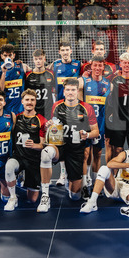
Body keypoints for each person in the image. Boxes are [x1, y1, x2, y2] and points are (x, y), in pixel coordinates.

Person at [39, 81, 99, 209]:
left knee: (75, 196)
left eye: (73, 90)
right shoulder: (57, 106)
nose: (70, 92)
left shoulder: (86, 107)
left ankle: (71, 181)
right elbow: (53, 125)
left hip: (75, 149)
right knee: (46, 153)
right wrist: (48, 125)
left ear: (77, 91)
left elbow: (96, 131)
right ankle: (45, 196)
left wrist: (87, 135)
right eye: (68, 90)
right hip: (59, 146)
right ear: (64, 91)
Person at [80, 135, 129, 217]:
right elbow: (110, 164)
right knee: (104, 168)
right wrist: (127, 165)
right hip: (115, 186)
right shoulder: (125, 154)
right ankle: (92, 202)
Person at [6, 88, 47, 207]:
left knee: (32, 200)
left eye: (32, 100)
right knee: (9, 166)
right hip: (18, 157)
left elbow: (43, 145)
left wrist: (35, 146)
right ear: (22, 101)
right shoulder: (16, 118)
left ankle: (25, 178)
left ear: (35, 102)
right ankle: (13, 198)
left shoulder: (41, 120)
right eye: (27, 99)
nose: (29, 102)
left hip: (33, 160)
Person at [105, 51, 129, 155]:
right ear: (120, 64)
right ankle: (118, 170)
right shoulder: (113, 79)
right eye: (124, 62)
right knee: (117, 149)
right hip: (118, 119)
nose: (127, 65)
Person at [80, 56, 112, 181]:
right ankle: (86, 179)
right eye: (95, 65)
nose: (97, 68)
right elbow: (70, 85)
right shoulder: (84, 81)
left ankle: (94, 180)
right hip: (87, 124)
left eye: (100, 65)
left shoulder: (108, 84)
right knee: (86, 154)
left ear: (103, 67)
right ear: (91, 66)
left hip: (100, 123)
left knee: (98, 154)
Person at [25, 48, 57, 119]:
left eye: (40, 59)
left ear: (44, 59)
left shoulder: (51, 74)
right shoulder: (28, 75)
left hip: (48, 110)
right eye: (36, 59)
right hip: (34, 109)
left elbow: (56, 90)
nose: (38, 61)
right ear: (33, 60)